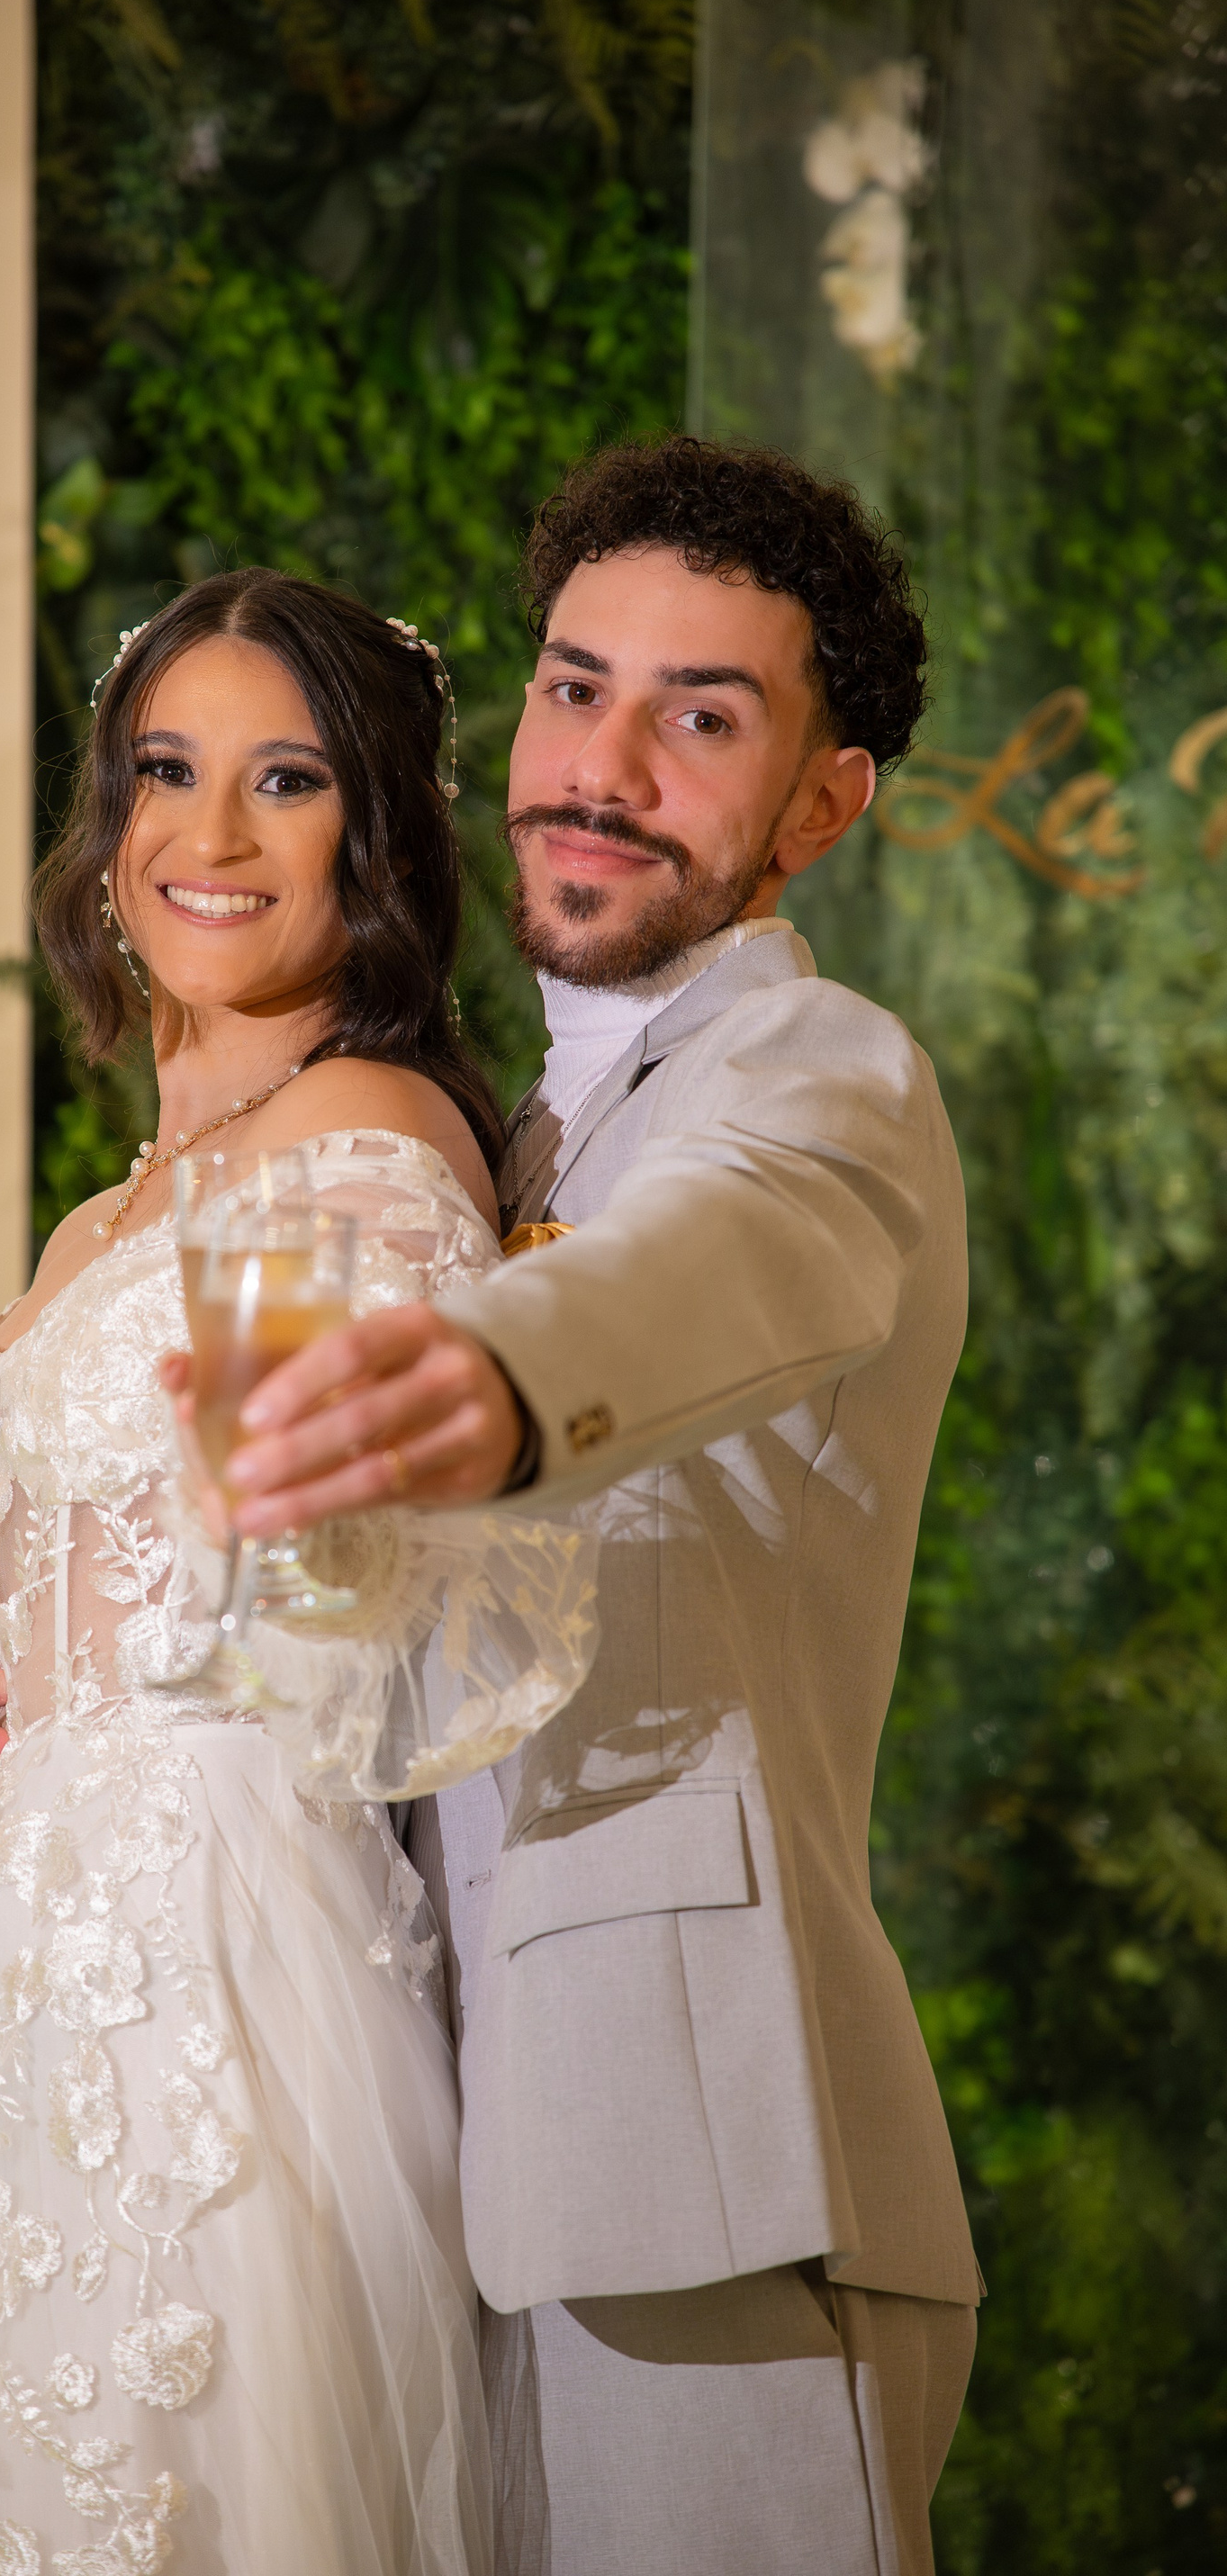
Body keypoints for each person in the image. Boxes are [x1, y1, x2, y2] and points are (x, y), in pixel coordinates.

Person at [0, 570, 600, 2576]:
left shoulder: (359, 1143)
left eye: (287, 780)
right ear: (108, 824)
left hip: (206, 1996)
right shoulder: (107, 1215)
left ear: (378, 837)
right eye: (168, 770)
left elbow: (367, 1612)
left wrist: (311, 1518)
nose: (210, 833)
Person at [216, 437, 982, 2576]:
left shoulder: (819, 1077)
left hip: (703, 2167)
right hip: (429, 2162)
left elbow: (730, 1255)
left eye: (701, 719)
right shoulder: (514, 1130)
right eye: (576, 688)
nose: (604, 766)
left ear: (822, 805)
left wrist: (484, 1382)